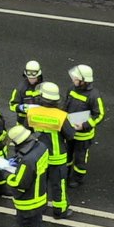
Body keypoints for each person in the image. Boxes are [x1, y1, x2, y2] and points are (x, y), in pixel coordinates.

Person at [4, 124, 48, 227]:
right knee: (37, 223)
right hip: (40, 195)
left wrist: (7, 173)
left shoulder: (27, 161)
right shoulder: (41, 147)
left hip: (28, 201)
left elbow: (20, 183)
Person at [31, 81, 75, 218]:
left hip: (40, 155)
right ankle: (60, 210)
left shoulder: (32, 112)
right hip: (57, 157)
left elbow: (27, 130)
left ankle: (41, 206)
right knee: (58, 185)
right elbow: (70, 134)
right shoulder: (61, 116)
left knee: (41, 183)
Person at [66, 64, 105, 187]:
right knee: (66, 155)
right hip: (70, 131)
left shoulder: (94, 95)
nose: (73, 80)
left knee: (80, 158)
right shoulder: (71, 89)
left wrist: (84, 125)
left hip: (83, 136)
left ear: (83, 81)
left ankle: (77, 179)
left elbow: (99, 115)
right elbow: (65, 105)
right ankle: (65, 174)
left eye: (76, 78)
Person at [8, 60, 43, 128]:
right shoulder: (20, 89)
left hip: (38, 122)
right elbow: (12, 105)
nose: (31, 79)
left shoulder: (43, 87)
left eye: (34, 78)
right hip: (23, 122)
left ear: (38, 75)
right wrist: (20, 108)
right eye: (29, 77)